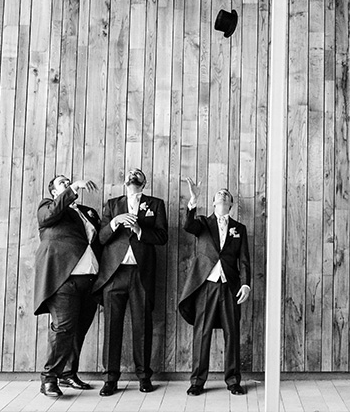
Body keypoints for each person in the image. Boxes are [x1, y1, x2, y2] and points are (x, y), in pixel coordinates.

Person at [93, 168, 168, 396]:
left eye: (138, 173)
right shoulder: (112, 204)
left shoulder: (156, 204)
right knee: (112, 327)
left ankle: (144, 377)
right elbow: (102, 238)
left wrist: (139, 230)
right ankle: (110, 379)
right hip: (114, 274)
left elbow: (162, 237)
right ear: (124, 181)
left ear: (144, 183)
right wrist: (115, 222)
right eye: (130, 173)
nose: (133, 175)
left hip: (141, 273)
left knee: (142, 327)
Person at [178, 178, 251, 396]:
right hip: (206, 286)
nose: (222, 195)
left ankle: (233, 381)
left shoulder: (239, 228)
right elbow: (187, 225)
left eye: (226, 195)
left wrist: (246, 284)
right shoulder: (202, 223)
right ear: (213, 203)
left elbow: (244, 260)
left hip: (230, 287)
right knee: (202, 334)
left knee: (232, 333)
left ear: (230, 204)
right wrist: (193, 199)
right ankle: (197, 382)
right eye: (218, 194)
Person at [33, 175, 101, 397]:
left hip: (89, 280)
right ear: (54, 192)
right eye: (62, 182)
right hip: (64, 280)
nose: (68, 183)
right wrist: (71, 188)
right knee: (63, 329)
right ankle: (49, 379)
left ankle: (68, 374)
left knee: (78, 330)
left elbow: (97, 241)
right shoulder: (48, 207)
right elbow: (49, 216)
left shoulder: (87, 212)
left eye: (68, 181)